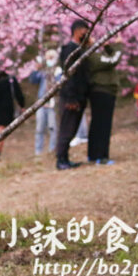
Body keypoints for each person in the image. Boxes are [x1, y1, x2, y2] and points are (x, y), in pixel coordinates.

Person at [56, 19, 90, 170]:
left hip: (80, 95)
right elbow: (68, 75)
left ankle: (65, 158)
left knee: (72, 129)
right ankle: (61, 160)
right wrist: (70, 97)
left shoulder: (79, 49)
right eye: (85, 30)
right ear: (77, 31)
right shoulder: (70, 49)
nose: (87, 34)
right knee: (67, 129)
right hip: (71, 96)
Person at [87, 43, 122, 165]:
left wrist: (108, 47)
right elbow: (113, 59)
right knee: (103, 124)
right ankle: (101, 156)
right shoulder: (91, 55)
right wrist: (118, 45)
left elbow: (109, 57)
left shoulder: (94, 54)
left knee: (98, 123)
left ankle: (94, 154)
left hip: (104, 90)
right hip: (102, 90)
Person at [27, 50, 60, 155]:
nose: (49, 60)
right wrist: (36, 68)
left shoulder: (58, 71)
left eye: (51, 57)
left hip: (52, 104)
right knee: (39, 128)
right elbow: (32, 80)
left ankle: (52, 149)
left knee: (53, 128)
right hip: (41, 103)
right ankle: (38, 151)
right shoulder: (42, 72)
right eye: (47, 57)